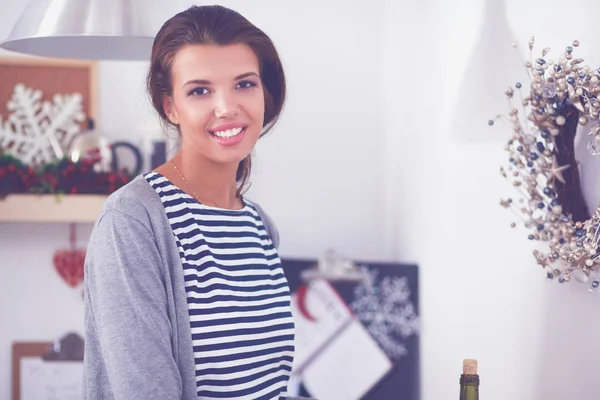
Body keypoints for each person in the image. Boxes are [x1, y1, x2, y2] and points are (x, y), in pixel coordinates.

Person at [83, 5, 296, 400]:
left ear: (265, 91)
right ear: (170, 107)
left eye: (244, 84)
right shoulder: (132, 222)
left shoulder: (259, 226)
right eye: (200, 90)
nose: (227, 107)